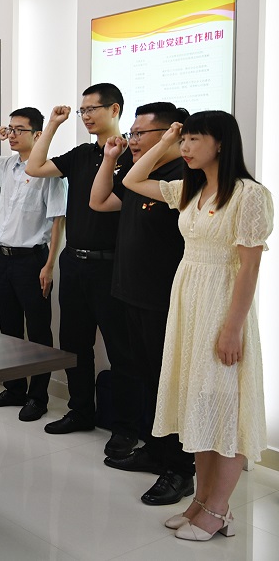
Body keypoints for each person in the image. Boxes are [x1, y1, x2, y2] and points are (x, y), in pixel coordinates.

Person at [123, 112, 272, 541]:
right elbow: (133, 179)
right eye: (182, 139)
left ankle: (219, 509)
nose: (185, 147)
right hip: (189, 303)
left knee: (224, 408)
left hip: (223, 306)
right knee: (200, 406)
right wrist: (165, 138)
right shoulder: (190, 190)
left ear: (221, 143)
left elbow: (248, 269)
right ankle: (202, 502)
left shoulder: (249, 194)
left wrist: (232, 329)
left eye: (193, 139)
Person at [89, 102, 195, 506]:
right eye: (131, 133)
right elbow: (98, 201)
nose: (131, 140)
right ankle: (155, 449)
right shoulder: (138, 175)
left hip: (163, 300)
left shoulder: (184, 178)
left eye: (139, 134)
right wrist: (110, 158)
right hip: (130, 294)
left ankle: (180, 469)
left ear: (168, 134)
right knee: (147, 378)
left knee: (171, 384)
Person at [25, 84, 135, 459]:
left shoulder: (133, 155)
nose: (86, 116)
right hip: (74, 261)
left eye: (92, 109)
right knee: (73, 344)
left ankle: (125, 428)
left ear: (114, 109)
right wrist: (53, 125)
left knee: (121, 350)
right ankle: (81, 411)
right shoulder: (82, 154)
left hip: (112, 265)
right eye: (82, 110)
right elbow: (34, 167)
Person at [0, 108, 66, 422]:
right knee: (9, 328)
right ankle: (14, 388)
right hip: (4, 258)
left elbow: (57, 222)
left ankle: (38, 397)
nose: (12, 135)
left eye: (20, 130)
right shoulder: (7, 165)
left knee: (39, 330)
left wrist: (49, 266)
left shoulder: (49, 172)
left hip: (33, 260)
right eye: (10, 128)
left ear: (38, 134)